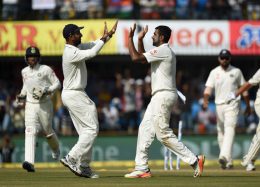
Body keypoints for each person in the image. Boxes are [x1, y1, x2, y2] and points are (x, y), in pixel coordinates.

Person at [124, 23, 205, 178]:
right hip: (158, 96)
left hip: (163, 95)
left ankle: (195, 160)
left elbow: (135, 57)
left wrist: (130, 38)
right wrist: (139, 40)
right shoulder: (161, 51)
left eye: (154, 34)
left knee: (163, 134)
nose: (152, 36)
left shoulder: (164, 50)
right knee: (145, 129)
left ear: (161, 37)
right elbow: (143, 59)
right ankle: (142, 167)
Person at [59, 21, 118, 178]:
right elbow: (92, 53)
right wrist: (104, 39)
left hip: (73, 93)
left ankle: (83, 166)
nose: (81, 35)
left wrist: (106, 37)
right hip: (74, 94)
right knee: (92, 129)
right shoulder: (71, 52)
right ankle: (71, 158)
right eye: (78, 33)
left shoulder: (76, 48)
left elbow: (93, 45)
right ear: (71, 36)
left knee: (86, 132)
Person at [202, 49, 251, 169]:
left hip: (232, 104)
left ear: (230, 59)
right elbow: (208, 88)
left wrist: (248, 106)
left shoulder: (236, 71)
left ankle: (223, 156)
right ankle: (228, 161)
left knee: (230, 128)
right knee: (221, 132)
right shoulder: (214, 72)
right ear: (219, 59)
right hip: (219, 105)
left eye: (226, 58)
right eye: (222, 58)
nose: (224, 60)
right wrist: (205, 100)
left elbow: (244, 89)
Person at [16, 46, 61, 172]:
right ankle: (29, 162)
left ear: (38, 58)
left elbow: (57, 83)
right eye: (30, 57)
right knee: (30, 130)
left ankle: (56, 149)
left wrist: (48, 90)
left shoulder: (45, 69)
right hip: (30, 105)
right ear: (26, 58)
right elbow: (25, 86)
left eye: (35, 57)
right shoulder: (24, 71)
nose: (32, 59)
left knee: (48, 132)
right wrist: (22, 95)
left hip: (45, 105)